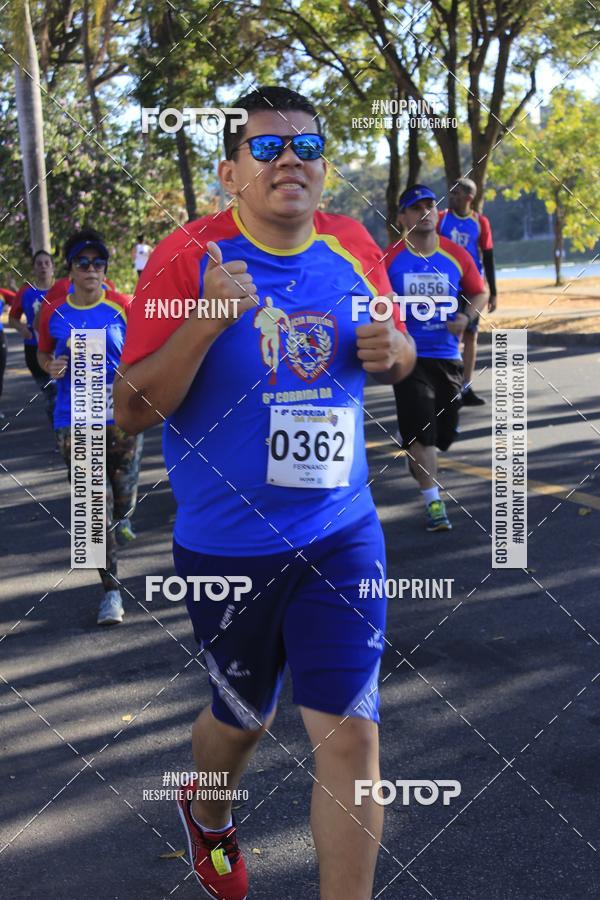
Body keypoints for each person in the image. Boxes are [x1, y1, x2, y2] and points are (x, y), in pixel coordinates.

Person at [114, 86, 415, 900]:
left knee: (351, 736)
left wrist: (396, 350)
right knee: (244, 717)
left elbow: (398, 349)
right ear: (230, 173)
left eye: (307, 148)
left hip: (341, 533)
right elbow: (130, 411)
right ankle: (208, 812)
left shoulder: (353, 245)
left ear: (325, 168)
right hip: (229, 549)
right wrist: (207, 320)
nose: (291, 161)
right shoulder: (186, 257)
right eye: (268, 148)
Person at [37, 228, 143, 625]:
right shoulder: (53, 311)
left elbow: (141, 352)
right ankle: (111, 591)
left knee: (122, 499)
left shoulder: (122, 306)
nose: (91, 269)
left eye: (99, 263)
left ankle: (124, 515)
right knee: (93, 509)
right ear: (71, 268)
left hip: (120, 418)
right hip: (75, 419)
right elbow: (42, 354)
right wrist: (51, 366)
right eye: (83, 263)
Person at [386, 184, 488, 531]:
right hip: (408, 356)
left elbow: (479, 291)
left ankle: (417, 452)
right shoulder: (390, 259)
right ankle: (434, 503)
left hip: (447, 357)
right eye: (416, 208)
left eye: (430, 206)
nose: (425, 213)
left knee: (443, 434)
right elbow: (371, 298)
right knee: (422, 430)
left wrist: (467, 317)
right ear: (402, 217)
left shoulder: (455, 255)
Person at [437, 176, 497, 405]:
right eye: (451, 192)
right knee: (447, 334)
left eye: (456, 193)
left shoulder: (480, 222)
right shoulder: (441, 219)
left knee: (471, 335)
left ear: (469, 197)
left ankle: (466, 387)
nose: (451, 196)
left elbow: (488, 257)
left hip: (472, 288)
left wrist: (493, 292)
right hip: (446, 286)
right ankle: (446, 385)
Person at [9, 250, 57, 426]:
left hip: (59, 349)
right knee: (51, 393)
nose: (43, 267)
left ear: (53, 268)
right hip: (34, 349)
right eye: (39, 264)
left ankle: (64, 432)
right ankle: (61, 432)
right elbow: (13, 318)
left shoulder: (63, 290)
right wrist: (23, 329)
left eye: (47, 263)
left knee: (62, 393)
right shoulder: (26, 292)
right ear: (34, 269)